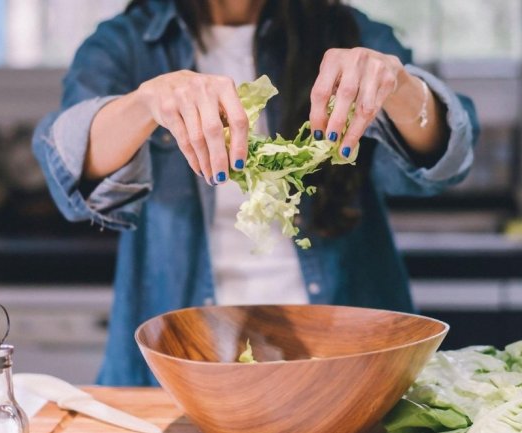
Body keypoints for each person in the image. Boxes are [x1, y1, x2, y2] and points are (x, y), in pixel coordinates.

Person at [33, 0, 479, 386]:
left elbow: (448, 159)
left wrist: (399, 87)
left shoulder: (348, 31)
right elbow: (70, 171)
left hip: (348, 364)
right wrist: (146, 103)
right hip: (185, 365)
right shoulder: (126, 43)